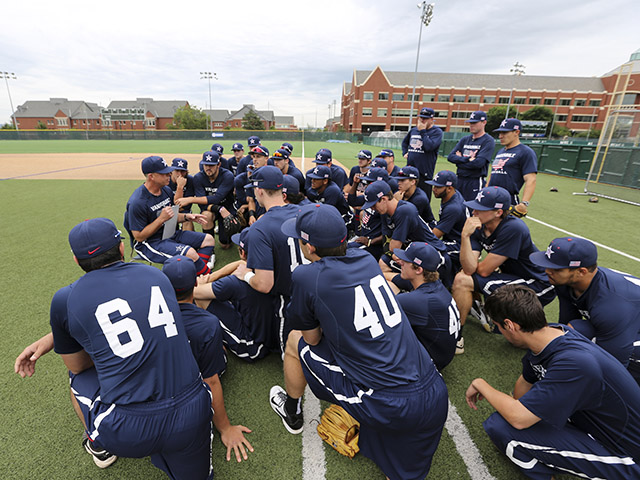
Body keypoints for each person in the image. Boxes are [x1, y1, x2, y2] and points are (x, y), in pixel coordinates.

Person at [17, 218, 214, 479]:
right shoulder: (156, 274)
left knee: (77, 376)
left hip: (129, 428)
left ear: (76, 261)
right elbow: (133, 310)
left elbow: (78, 365)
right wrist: (51, 337)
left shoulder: (65, 298)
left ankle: (99, 446)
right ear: (121, 249)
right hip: (194, 411)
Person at [270, 204, 448, 480]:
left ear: (309, 247)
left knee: (295, 341)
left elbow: (312, 337)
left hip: (387, 403)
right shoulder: (365, 259)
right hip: (435, 392)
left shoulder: (307, 276)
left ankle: (292, 411)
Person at [466, 284, 640, 480]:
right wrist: (518, 406)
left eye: (498, 326)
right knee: (506, 420)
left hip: (628, 455)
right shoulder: (552, 335)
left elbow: (519, 418)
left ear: (510, 325)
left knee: (504, 431)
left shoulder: (574, 363)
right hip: (600, 426)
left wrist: (481, 384)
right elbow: (525, 383)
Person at [161, 255, 254, 463]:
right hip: (190, 387)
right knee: (216, 359)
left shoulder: (144, 309)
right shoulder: (207, 323)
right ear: (195, 282)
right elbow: (210, 380)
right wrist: (225, 427)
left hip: (159, 382)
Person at [451, 186, 555, 354]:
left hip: (538, 284)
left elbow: (483, 271)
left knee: (462, 280)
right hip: (512, 277)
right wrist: (465, 236)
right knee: (463, 277)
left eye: (481, 208)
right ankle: (458, 334)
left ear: (498, 212)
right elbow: (469, 268)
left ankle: (459, 334)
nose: (474, 211)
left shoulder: (514, 228)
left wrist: (474, 266)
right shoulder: (480, 226)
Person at [530, 236, 640, 383]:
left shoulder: (610, 306)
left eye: (556, 268)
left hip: (629, 332)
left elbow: (615, 366)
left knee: (608, 370)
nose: (547, 271)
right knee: (576, 330)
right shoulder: (564, 282)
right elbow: (566, 327)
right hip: (625, 324)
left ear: (581, 271)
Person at [232, 166, 306, 355]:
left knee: (291, 355)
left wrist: (246, 274)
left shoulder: (260, 228)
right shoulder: (304, 212)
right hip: (317, 291)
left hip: (288, 301)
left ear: (259, 190)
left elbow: (264, 284)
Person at [194, 230, 280, 361]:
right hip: (275, 337)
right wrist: (210, 277)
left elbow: (194, 292)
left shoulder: (232, 283)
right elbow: (240, 264)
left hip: (252, 347)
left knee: (200, 299)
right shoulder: (270, 271)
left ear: (242, 253)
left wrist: (201, 282)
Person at [124, 155, 214, 274]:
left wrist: (187, 217)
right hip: (151, 243)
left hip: (170, 233)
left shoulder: (165, 190)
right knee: (190, 253)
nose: (169, 175)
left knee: (209, 240)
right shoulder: (138, 202)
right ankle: (207, 278)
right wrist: (161, 219)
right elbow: (139, 237)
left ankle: (196, 275)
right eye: (164, 173)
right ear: (151, 176)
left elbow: (172, 215)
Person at [361, 181, 450, 286]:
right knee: (383, 262)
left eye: (373, 205)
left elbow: (394, 247)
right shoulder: (385, 213)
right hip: (413, 254)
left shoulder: (405, 211)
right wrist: (393, 253)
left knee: (383, 274)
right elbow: (387, 244)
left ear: (384, 199)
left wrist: (395, 254)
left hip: (433, 257)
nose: (372, 209)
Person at [393, 242, 460, 371]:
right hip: (440, 353)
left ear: (418, 269)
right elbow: (393, 280)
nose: (399, 262)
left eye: (405, 261)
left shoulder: (419, 301)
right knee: (390, 287)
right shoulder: (434, 284)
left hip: (429, 365)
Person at [178, 150, 236, 249]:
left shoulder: (227, 176)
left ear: (218, 164)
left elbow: (217, 198)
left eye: (211, 165)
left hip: (227, 208)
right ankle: (209, 248)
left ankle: (223, 233)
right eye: (206, 165)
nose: (208, 168)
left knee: (225, 245)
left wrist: (191, 199)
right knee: (206, 215)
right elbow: (203, 205)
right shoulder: (198, 177)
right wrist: (219, 209)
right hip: (212, 209)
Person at [487, 118, 537, 217]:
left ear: (516, 132)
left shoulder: (526, 152)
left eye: (504, 133)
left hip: (507, 200)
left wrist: (524, 203)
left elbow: (531, 179)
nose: (500, 136)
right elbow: (492, 174)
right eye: (500, 133)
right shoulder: (500, 151)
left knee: (504, 231)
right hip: (491, 197)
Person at [446, 110, 495, 201]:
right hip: (460, 179)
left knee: (472, 209)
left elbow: (478, 163)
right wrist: (467, 159)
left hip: (474, 181)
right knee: (458, 207)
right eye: (470, 123)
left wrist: (459, 160)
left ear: (484, 122)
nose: (471, 125)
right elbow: (450, 157)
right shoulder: (465, 139)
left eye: (475, 123)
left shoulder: (488, 140)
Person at [425, 170, 468, 267]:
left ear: (449, 188)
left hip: (459, 244)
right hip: (451, 235)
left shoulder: (453, 208)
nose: (433, 189)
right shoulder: (450, 196)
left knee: (427, 250)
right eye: (434, 186)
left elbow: (434, 236)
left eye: (438, 187)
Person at [402, 107, 443, 200]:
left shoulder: (437, 132)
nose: (423, 120)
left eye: (426, 118)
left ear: (432, 119)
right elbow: (405, 142)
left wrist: (423, 131)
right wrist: (405, 152)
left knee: (422, 200)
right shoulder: (413, 130)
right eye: (421, 118)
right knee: (407, 199)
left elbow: (429, 147)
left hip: (424, 173)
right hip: (410, 171)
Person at [169, 157, 195, 231]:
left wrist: (180, 187)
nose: (180, 174)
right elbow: (175, 206)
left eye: (183, 171)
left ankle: (188, 241)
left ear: (186, 172)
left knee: (187, 219)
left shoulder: (190, 181)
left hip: (185, 211)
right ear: (171, 171)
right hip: (168, 211)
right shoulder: (166, 181)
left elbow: (180, 206)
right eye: (177, 171)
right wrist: (180, 187)